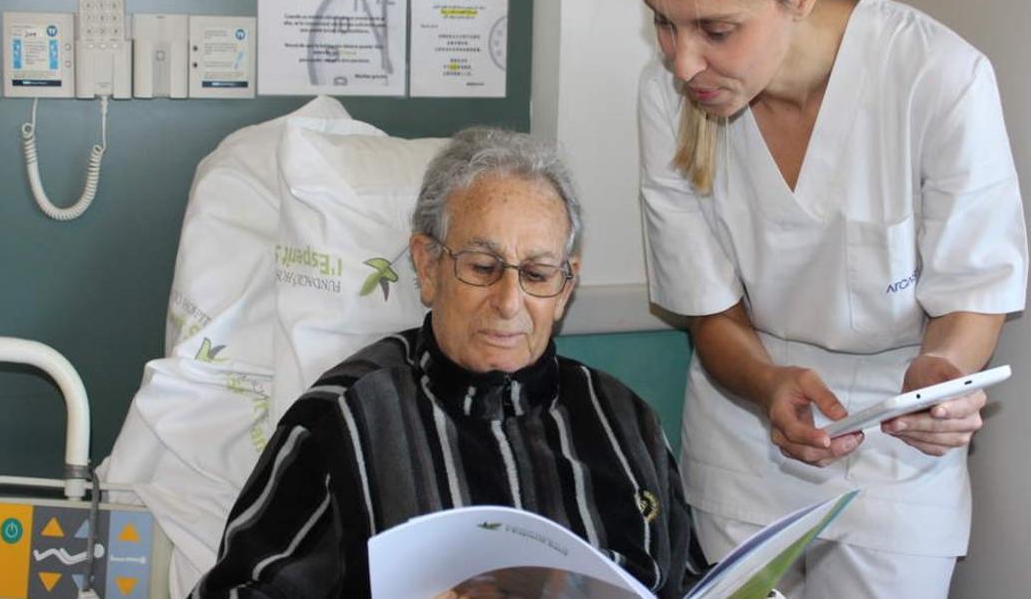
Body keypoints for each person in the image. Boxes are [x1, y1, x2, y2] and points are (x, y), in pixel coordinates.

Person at [633, 0, 1028, 597]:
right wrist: (767, 385)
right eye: (664, 24)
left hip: (896, 433)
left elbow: (971, 290)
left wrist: (943, 374)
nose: (683, 63)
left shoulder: (938, 79)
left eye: (716, 30)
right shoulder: (667, 98)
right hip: (745, 424)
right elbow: (712, 312)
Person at [191, 127, 706, 598]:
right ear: (428, 265)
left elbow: (694, 585)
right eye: (483, 267)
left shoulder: (625, 423)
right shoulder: (347, 418)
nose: (509, 301)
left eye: (538, 273)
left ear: (566, 284)